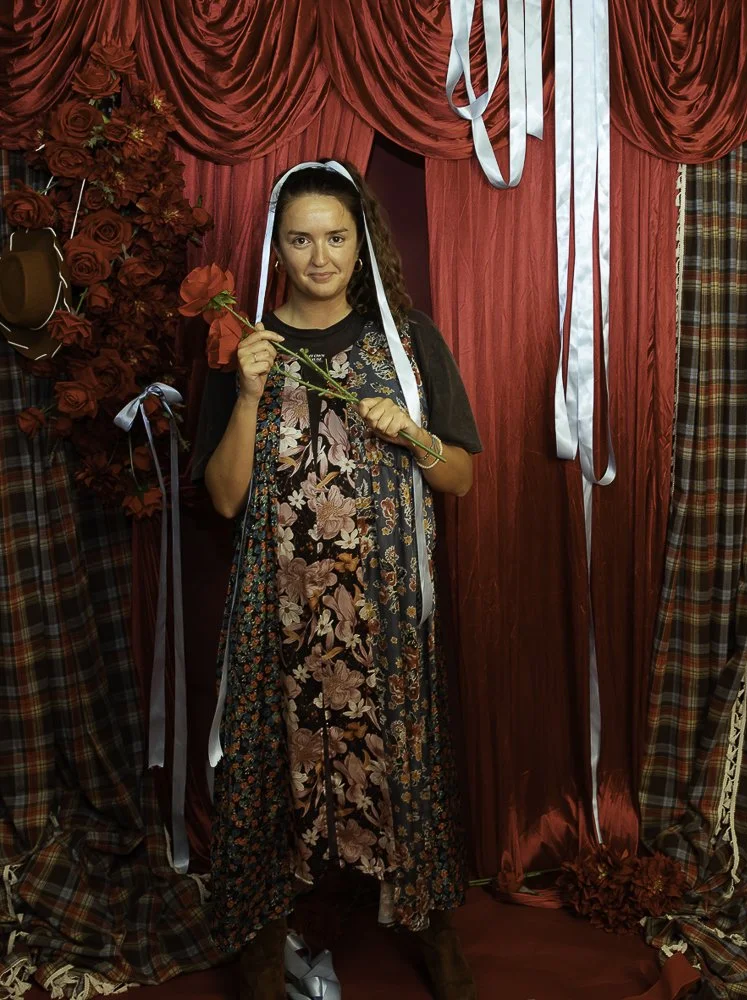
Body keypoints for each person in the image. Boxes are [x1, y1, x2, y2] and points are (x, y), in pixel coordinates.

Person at [192, 160, 482, 1000]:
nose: (319, 257)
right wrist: (247, 395)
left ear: (361, 244)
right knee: (265, 764)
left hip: (384, 607)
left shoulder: (408, 340)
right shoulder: (247, 347)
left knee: (399, 759)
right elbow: (221, 498)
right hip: (274, 609)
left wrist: (417, 440)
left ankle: (431, 925)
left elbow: (461, 479)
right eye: (300, 239)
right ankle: (258, 936)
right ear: (276, 248)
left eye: (336, 238)